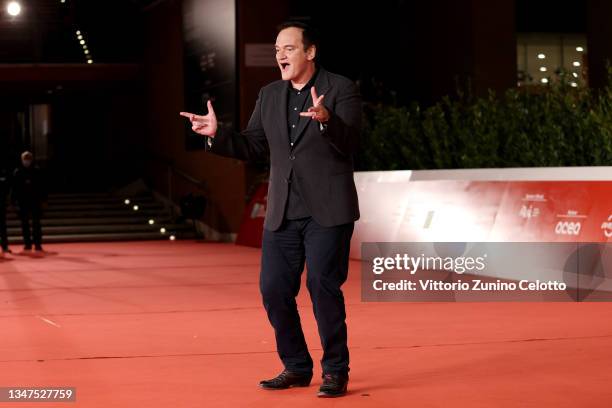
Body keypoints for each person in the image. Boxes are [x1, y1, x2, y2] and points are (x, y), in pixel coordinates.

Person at [180, 21, 361, 398]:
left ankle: (335, 371)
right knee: (274, 290)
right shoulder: (270, 94)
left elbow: (351, 143)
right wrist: (219, 134)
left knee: (321, 286)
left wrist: (328, 122)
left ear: (310, 52)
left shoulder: (339, 88)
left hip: (327, 211)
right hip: (282, 211)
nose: (281, 54)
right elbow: (256, 146)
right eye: (278, 49)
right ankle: (296, 366)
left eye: (289, 48)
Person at [12, 151, 46, 251]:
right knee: (25, 224)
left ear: (31, 160)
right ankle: (27, 243)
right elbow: (15, 188)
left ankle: (37, 243)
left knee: (36, 224)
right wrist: (13, 201)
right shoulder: (18, 172)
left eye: (28, 159)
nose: (26, 161)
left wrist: (43, 199)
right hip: (23, 201)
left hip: (35, 200)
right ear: (22, 160)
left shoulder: (37, 171)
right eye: (25, 160)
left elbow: (42, 186)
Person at [0, 167, 10, 253]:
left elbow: (6, 188)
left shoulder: (3, 173)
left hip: (1, 204)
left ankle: (5, 246)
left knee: (3, 227)